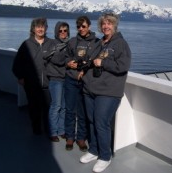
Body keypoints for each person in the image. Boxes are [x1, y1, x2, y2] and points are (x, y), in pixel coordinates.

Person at [80, 13, 131, 173]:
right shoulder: (99, 42)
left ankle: (105, 156)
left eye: (109, 24)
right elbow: (90, 60)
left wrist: (104, 62)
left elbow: (123, 66)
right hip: (90, 89)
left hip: (109, 91)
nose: (106, 27)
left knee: (101, 122)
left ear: (114, 26)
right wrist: (83, 70)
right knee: (92, 121)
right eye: (103, 24)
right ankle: (94, 150)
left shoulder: (121, 43)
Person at [64, 16, 99, 151]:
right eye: (79, 27)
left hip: (85, 82)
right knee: (70, 109)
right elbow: (66, 57)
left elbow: (95, 62)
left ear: (89, 26)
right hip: (71, 80)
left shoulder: (96, 42)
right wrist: (68, 62)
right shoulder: (72, 41)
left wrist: (84, 71)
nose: (81, 29)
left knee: (83, 111)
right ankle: (70, 137)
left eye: (83, 26)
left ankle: (81, 138)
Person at [12, 17, 52, 135]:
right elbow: (17, 63)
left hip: (47, 83)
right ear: (33, 29)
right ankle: (36, 129)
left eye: (42, 26)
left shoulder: (51, 43)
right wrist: (20, 77)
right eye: (38, 27)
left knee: (48, 109)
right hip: (31, 83)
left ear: (46, 28)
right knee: (34, 107)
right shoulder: (26, 44)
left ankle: (48, 130)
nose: (40, 29)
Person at [43, 21, 70, 142]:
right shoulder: (52, 44)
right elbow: (57, 59)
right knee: (56, 106)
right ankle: (53, 132)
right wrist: (68, 58)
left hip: (66, 79)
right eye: (61, 30)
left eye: (65, 30)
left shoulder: (68, 44)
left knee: (64, 107)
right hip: (55, 79)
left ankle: (61, 130)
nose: (63, 33)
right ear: (56, 32)